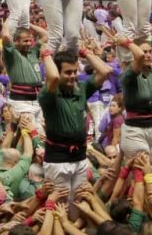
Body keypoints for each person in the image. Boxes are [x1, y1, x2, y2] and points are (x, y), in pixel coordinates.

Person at [40, 48, 113, 197]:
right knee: (59, 207)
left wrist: (86, 53)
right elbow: (53, 77)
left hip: (80, 158)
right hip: (58, 160)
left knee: (80, 202)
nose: (72, 76)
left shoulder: (81, 89)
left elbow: (105, 71)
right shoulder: (49, 94)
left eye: (75, 71)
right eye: (67, 72)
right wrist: (46, 54)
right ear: (58, 72)